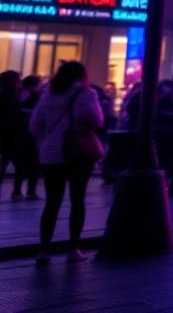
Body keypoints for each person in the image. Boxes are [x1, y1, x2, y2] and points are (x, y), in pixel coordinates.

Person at [29, 61, 103, 264]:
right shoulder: (86, 94)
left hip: (51, 154)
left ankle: (44, 250)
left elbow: (35, 126)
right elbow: (97, 120)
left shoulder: (47, 95)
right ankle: (73, 248)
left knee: (51, 203)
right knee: (77, 201)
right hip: (77, 152)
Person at [12, 76, 40, 200]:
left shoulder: (16, 95)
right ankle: (30, 191)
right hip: (31, 136)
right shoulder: (37, 97)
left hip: (18, 135)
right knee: (34, 165)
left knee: (20, 166)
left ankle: (17, 191)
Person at [0, 71, 20, 187]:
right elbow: (14, 114)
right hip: (11, 132)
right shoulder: (12, 95)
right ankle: (17, 190)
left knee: (5, 159)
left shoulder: (4, 92)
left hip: (4, 131)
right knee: (17, 162)